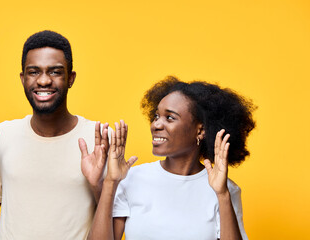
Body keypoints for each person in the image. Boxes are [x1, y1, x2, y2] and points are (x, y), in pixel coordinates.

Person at [0, 30, 110, 240]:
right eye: (34, 72)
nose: (43, 81)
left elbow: (114, 222)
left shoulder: (99, 139)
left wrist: (98, 185)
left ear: (71, 78)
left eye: (55, 72)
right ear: (23, 78)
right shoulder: (3, 135)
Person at [87, 76, 256, 240]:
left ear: (201, 130)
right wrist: (110, 182)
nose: (156, 125)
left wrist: (222, 195)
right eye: (156, 116)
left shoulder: (225, 190)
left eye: (170, 117)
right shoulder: (131, 179)